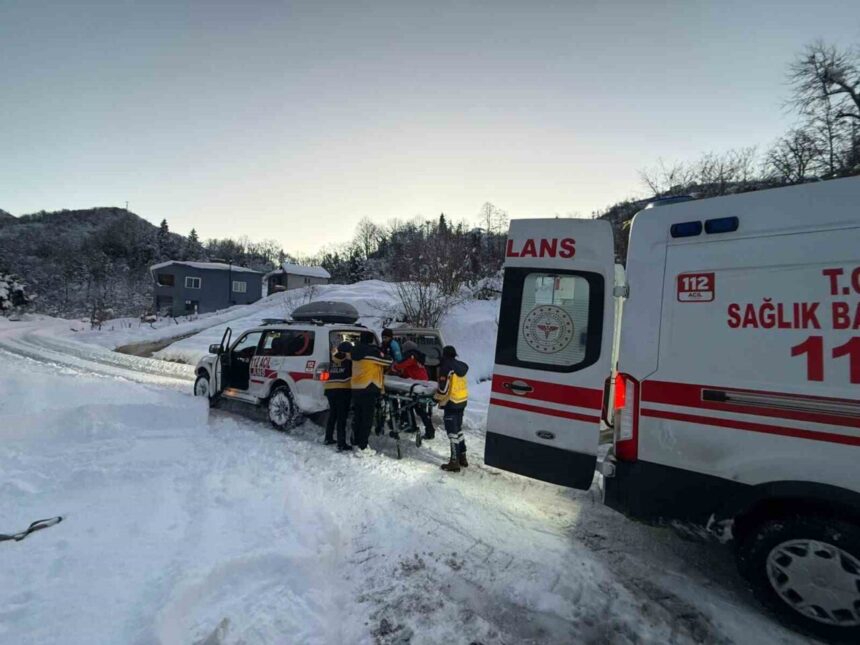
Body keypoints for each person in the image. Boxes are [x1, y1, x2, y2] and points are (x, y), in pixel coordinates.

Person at [350, 338, 392, 450]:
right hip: (368, 388)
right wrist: (381, 353)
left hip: (356, 388)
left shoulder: (354, 352)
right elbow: (388, 361)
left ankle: (355, 440)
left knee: (358, 416)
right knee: (367, 419)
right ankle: (363, 445)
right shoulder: (371, 353)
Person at [434, 345, 469, 472]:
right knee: (458, 430)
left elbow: (443, 389)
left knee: (452, 433)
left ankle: (454, 462)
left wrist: (436, 398)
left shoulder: (446, 367)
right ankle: (462, 457)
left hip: (451, 402)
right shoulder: (461, 366)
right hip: (462, 401)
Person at [392, 341, 435, 439]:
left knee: (410, 405)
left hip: (417, 386)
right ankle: (426, 429)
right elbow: (409, 371)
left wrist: (394, 367)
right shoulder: (418, 357)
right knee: (417, 408)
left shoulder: (411, 357)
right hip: (422, 384)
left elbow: (400, 366)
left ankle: (414, 426)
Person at [324, 341, 353, 452]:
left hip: (330, 389)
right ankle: (341, 443)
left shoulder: (332, 360)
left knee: (333, 415)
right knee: (342, 418)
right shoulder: (349, 362)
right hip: (342, 391)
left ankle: (328, 437)